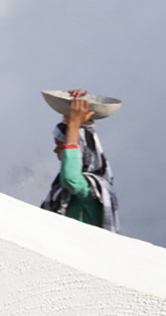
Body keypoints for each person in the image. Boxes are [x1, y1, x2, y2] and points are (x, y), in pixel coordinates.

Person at [40, 89, 119, 232]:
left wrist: (74, 126)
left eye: (60, 146)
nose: (55, 151)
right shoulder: (63, 190)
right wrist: (72, 108)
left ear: (80, 151)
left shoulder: (91, 190)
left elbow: (71, 178)